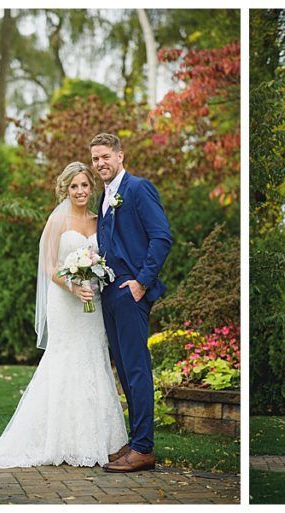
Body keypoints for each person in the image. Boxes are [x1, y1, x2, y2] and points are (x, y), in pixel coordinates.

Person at [0, 162, 127, 468]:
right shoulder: (58, 220)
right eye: (74, 186)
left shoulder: (98, 219)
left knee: (93, 358)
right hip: (66, 301)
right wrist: (74, 286)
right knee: (64, 361)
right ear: (66, 188)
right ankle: (56, 439)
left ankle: (98, 441)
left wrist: (94, 280)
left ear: (92, 187)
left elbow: (104, 257)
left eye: (85, 185)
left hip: (92, 303)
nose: (80, 191)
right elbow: (49, 266)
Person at [89, 133, 172, 473]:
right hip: (110, 293)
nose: (100, 164)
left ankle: (144, 449)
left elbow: (162, 236)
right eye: (95, 159)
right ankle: (135, 442)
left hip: (131, 293)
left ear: (121, 156)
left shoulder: (138, 189)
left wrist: (142, 282)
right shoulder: (105, 197)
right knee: (124, 370)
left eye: (105, 156)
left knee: (136, 370)